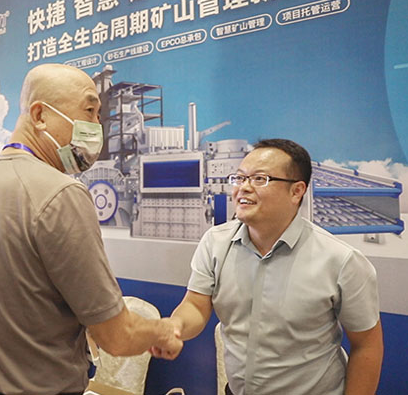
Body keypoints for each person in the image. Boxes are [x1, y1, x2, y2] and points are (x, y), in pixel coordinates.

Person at [0, 63, 182, 395]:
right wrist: (163, 331)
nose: (97, 126)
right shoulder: (62, 193)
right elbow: (116, 336)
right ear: (39, 116)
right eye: (89, 111)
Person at [158, 139, 383, 395]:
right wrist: (174, 327)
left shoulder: (341, 260)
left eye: (259, 179)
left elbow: (367, 344)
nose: (243, 187)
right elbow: (196, 305)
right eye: (240, 178)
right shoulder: (215, 243)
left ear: (296, 191)